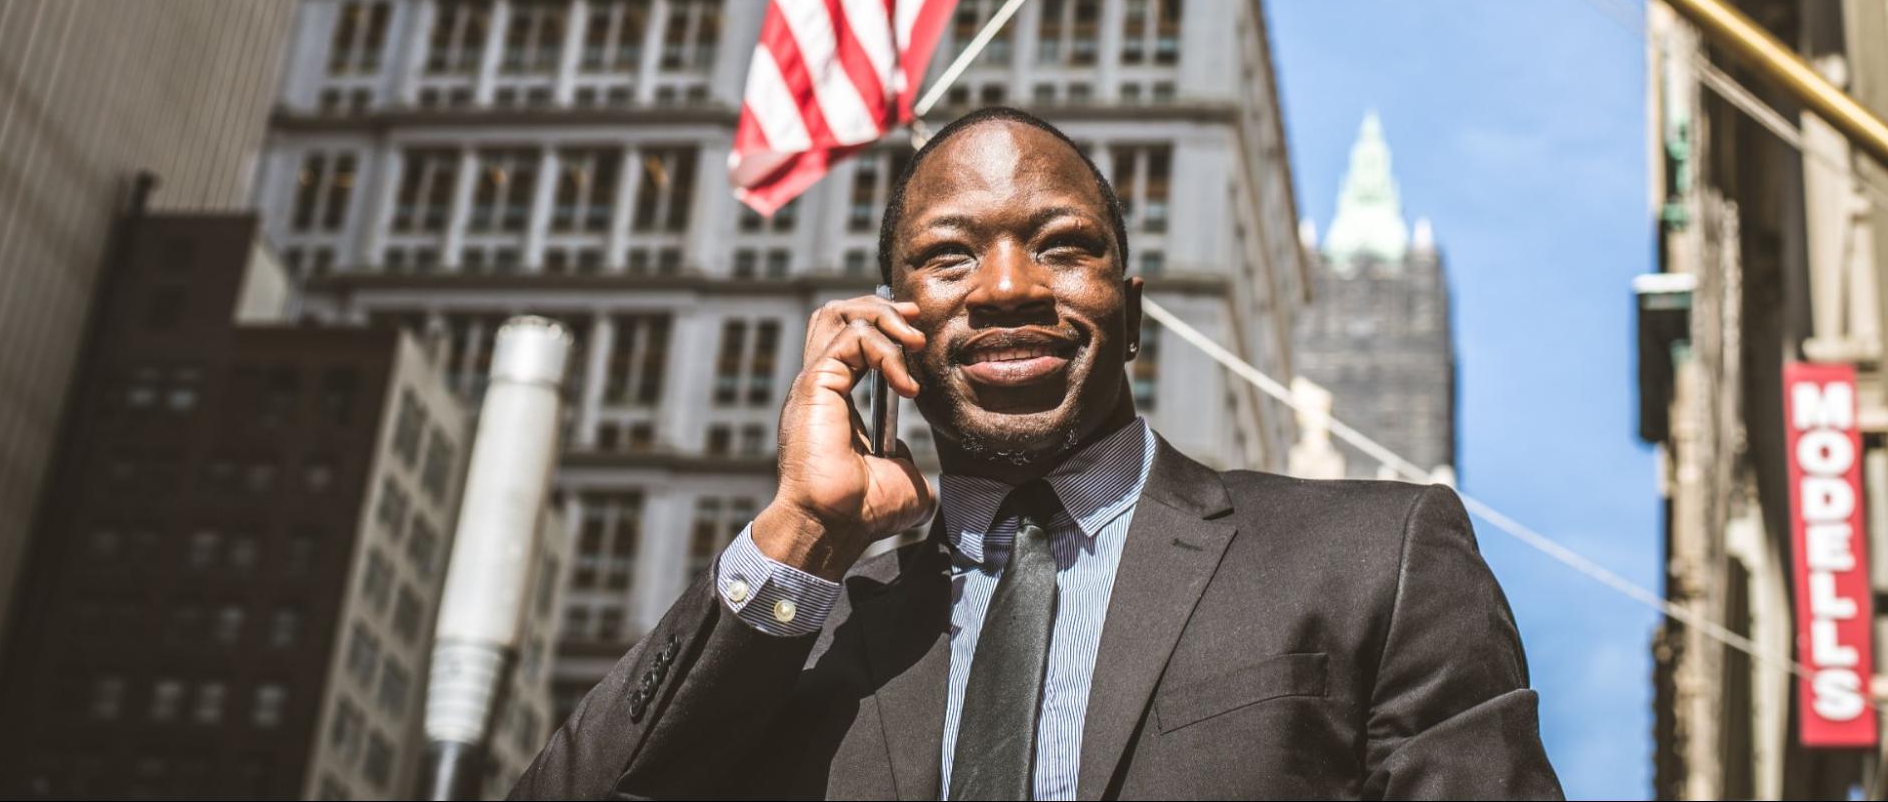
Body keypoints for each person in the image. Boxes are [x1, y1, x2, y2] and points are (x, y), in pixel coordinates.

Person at [510, 107, 1563, 800]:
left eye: (1061, 245)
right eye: (948, 257)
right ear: (890, 324)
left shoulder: (1375, 553)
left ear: (1133, 313)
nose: (1008, 286)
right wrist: (803, 533)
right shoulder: (804, 634)